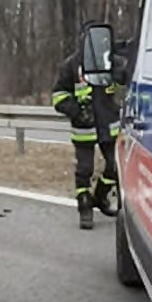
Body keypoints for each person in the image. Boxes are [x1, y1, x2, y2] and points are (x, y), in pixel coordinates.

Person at [51, 22, 125, 230]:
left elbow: (124, 88)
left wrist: (118, 89)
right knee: (84, 170)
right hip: (83, 128)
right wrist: (76, 110)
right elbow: (58, 96)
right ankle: (84, 207)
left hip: (109, 126)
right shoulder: (71, 66)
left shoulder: (115, 63)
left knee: (114, 166)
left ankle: (100, 197)